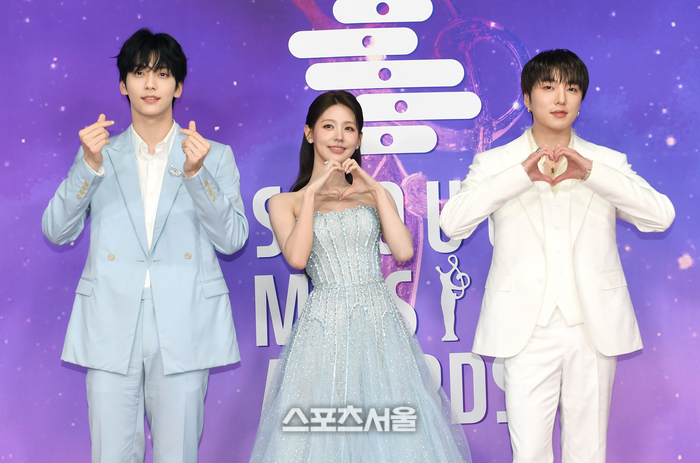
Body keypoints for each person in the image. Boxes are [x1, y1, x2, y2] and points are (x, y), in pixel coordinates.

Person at [440, 49, 675, 463]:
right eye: (548, 87)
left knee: (588, 452)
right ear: (527, 99)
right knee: (530, 452)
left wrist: (591, 173)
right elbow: (453, 224)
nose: (561, 98)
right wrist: (520, 175)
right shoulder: (495, 163)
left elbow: (660, 217)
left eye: (572, 88)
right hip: (525, 328)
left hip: (593, 327)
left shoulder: (606, 162)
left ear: (582, 99)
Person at [42, 29, 248, 462]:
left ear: (179, 86)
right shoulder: (99, 154)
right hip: (110, 321)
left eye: (162, 73)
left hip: (185, 320)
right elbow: (56, 231)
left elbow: (232, 240)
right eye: (139, 73)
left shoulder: (213, 155)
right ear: (123, 85)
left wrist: (197, 174)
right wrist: (88, 167)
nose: (150, 84)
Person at [249, 91, 471, 462]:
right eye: (328, 127)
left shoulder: (372, 195)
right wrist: (312, 194)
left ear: (359, 138)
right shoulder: (285, 203)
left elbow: (404, 251)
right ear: (309, 133)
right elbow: (298, 258)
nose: (339, 136)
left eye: (349, 129)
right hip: (325, 327)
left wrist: (376, 189)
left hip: (379, 324)